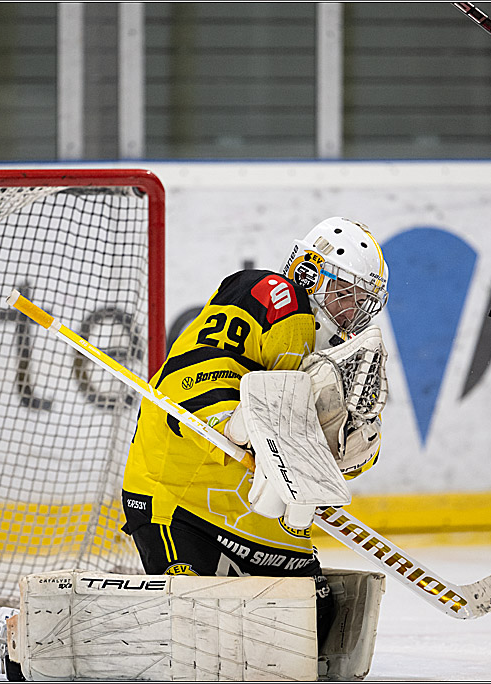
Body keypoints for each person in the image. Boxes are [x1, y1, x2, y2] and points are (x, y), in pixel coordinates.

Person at [120, 217, 389, 648]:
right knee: (200, 634)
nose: (352, 311)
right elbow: (190, 372)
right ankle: (55, 636)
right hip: (178, 495)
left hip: (248, 511)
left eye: (362, 301)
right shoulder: (275, 298)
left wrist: (348, 449)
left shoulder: (334, 356)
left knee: (311, 626)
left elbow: (316, 462)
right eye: (346, 294)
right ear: (311, 272)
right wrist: (233, 420)